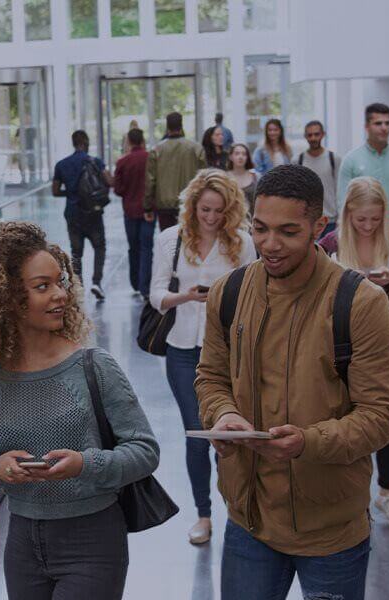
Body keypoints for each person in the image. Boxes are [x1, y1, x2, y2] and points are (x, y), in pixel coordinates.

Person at [198, 164, 389, 600]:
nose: (270, 245)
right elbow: (211, 377)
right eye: (260, 228)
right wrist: (225, 413)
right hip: (248, 519)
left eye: (288, 232)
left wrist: (307, 442)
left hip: (332, 534)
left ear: (319, 226)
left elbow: (381, 416)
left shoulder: (361, 303)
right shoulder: (228, 293)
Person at [0, 222, 161, 599]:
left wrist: (85, 464)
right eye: (42, 286)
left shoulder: (93, 366)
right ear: (4, 298)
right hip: (22, 542)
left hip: (93, 538)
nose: (60, 296)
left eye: (60, 283)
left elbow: (144, 450)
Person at [147, 169, 255, 545]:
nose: (210, 218)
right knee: (197, 435)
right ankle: (204, 515)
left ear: (231, 211)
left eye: (219, 211)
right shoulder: (169, 239)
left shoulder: (242, 243)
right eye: (205, 209)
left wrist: (221, 300)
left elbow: (254, 296)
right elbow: (156, 296)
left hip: (228, 350)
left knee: (230, 435)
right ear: (192, 206)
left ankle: (239, 513)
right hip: (181, 349)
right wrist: (187, 296)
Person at [318, 177, 389, 531]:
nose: (368, 226)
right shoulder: (330, 243)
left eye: (375, 220)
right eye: (361, 220)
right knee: (345, 417)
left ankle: (387, 493)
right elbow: (313, 295)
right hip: (341, 342)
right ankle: (353, 494)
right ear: (348, 214)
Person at [338, 103, 389, 235]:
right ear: (366, 126)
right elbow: (343, 200)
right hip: (362, 233)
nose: (384, 128)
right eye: (378, 123)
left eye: (387, 123)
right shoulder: (351, 159)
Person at [52, 130, 109, 300]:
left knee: (76, 253)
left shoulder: (61, 164)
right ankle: (96, 282)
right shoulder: (95, 162)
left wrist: (71, 193)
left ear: (73, 143)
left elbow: (55, 191)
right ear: (86, 142)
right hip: (93, 213)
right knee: (99, 247)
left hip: (73, 214)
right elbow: (109, 181)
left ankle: (78, 287)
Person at [112, 127, 154, 299]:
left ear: (128, 141)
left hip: (129, 210)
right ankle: (146, 287)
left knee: (133, 247)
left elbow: (118, 189)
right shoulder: (151, 159)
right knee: (146, 247)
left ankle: (135, 283)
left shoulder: (123, 162)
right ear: (142, 140)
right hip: (148, 210)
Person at [147, 111, 204, 235]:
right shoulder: (196, 148)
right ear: (181, 126)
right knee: (190, 241)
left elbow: (150, 180)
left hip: (164, 206)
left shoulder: (156, 150)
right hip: (189, 203)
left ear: (167, 127)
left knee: (168, 243)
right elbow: (204, 177)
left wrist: (147, 207)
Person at [295, 121, 341, 235]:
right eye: (310, 135)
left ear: (323, 134)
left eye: (316, 134)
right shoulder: (298, 160)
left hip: (331, 220)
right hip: (306, 220)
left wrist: (341, 217)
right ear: (305, 136)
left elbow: (340, 189)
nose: (313, 138)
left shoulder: (334, 159)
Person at [225, 143, 258, 209]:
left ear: (247, 157)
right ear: (231, 157)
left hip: (251, 217)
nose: (241, 157)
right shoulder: (224, 177)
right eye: (237, 154)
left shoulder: (255, 176)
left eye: (244, 154)